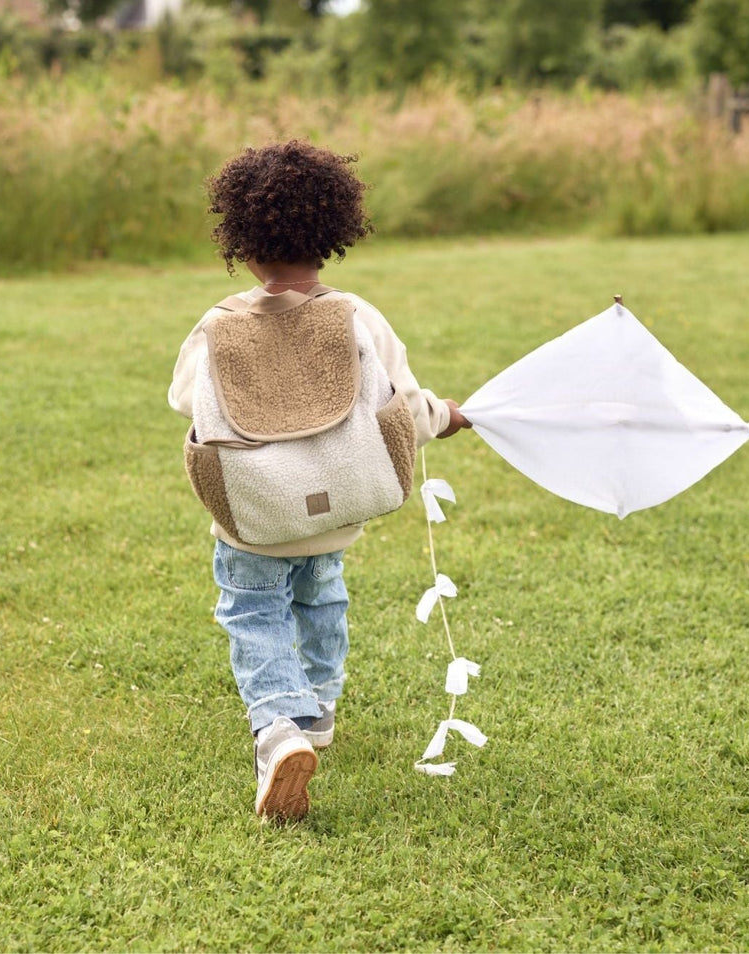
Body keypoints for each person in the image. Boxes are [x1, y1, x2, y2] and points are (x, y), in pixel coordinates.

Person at [168, 141, 470, 821]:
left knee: (253, 611)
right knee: (321, 594)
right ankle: (320, 706)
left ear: (242, 245)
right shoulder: (357, 317)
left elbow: (184, 398)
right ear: (332, 237)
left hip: (252, 513)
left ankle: (278, 728)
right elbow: (404, 404)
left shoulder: (219, 325)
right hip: (339, 503)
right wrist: (447, 418)